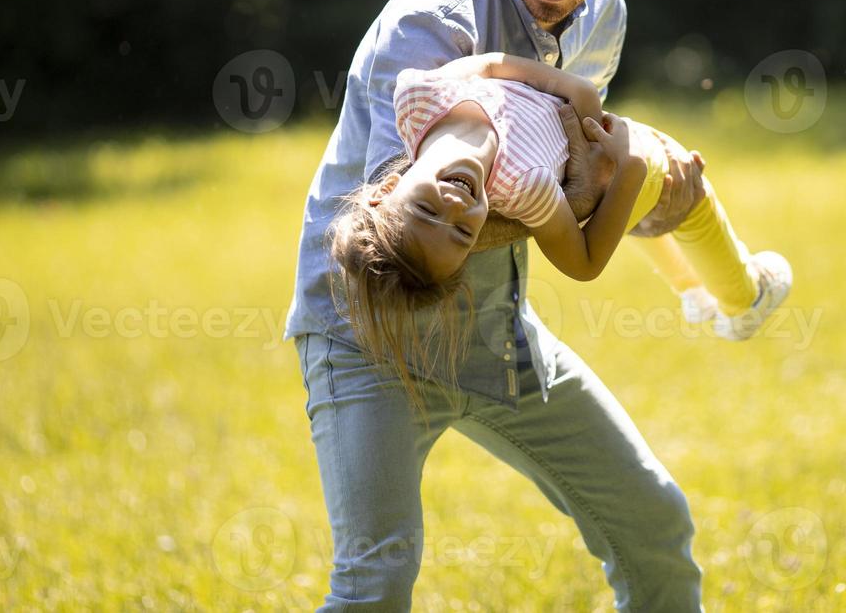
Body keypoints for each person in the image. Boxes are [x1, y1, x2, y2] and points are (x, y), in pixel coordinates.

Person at [284, 0, 707, 610]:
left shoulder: (604, 14)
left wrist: (645, 200)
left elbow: (568, 180)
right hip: (370, 334)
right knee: (376, 576)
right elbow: (404, 231)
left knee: (652, 524)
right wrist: (590, 199)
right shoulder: (433, 26)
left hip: (493, 332)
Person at [330, 52, 793, 412]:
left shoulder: (417, 96)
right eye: (463, 234)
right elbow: (584, 263)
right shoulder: (523, 186)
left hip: (618, 160)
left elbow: (493, 64)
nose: (456, 208)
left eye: (427, 210)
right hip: (643, 166)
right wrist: (628, 168)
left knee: (652, 230)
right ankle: (744, 300)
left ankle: (692, 291)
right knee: (693, 206)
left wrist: (573, 90)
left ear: (385, 189)